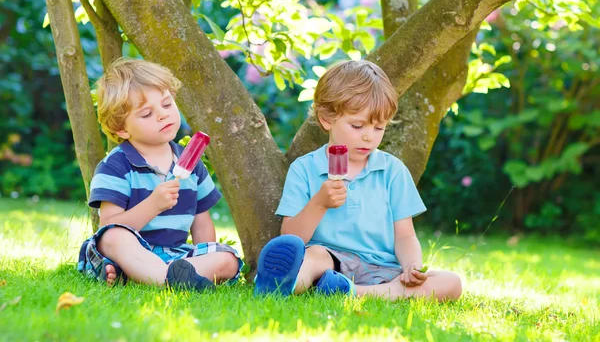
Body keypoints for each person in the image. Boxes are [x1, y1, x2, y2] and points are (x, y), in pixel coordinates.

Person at [254, 60, 462, 301]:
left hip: (384, 268)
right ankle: (279, 283)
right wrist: (319, 203)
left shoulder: (393, 171)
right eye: (357, 125)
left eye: (378, 128)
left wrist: (412, 266)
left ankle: (353, 292)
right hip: (330, 263)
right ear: (326, 119)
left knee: (451, 283)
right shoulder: (305, 169)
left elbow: (405, 236)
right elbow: (291, 237)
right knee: (313, 257)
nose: (368, 137)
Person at [77, 58, 242, 291]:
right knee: (113, 238)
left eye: (166, 104)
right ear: (121, 129)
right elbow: (109, 225)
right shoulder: (115, 166)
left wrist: (206, 254)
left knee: (228, 258)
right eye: (146, 114)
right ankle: (167, 279)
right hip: (131, 251)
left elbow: (202, 223)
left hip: (175, 254)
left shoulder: (191, 163)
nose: (163, 115)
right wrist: (153, 205)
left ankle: (168, 275)